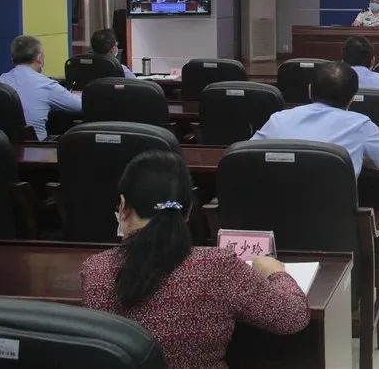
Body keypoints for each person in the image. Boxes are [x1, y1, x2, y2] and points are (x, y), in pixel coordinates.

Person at [81, 151, 311, 369]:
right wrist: (276, 273)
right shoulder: (217, 266)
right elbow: (292, 317)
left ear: (123, 207)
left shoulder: (96, 270)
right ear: (189, 210)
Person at [251, 60, 379, 175]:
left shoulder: (278, 119)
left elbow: (246, 157)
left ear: (309, 90)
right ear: (352, 99)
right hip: (333, 212)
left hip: (270, 210)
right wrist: (360, 157)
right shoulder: (359, 124)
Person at [0, 35, 82, 140]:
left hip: (0, 146)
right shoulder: (46, 85)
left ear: (12, 59)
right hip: (36, 148)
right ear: (39, 58)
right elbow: (82, 106)